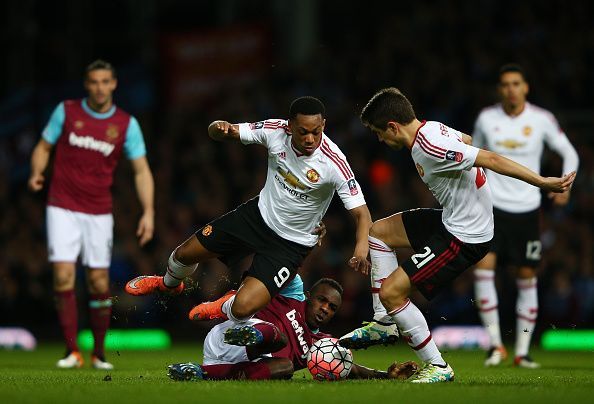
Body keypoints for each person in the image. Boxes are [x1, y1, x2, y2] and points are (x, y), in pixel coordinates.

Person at [339, 87, 575, 383]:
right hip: (453, 219)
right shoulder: (432, 129)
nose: (379, 139)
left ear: (392, 126)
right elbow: (470, 142)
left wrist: (541, 182)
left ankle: (438, 366)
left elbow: (490, 159)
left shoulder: (429, 145)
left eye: (378, 132)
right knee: (379, 232)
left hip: (465, 236)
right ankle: (385, 323)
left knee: (391, 292)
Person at [126, 96, 374, 328]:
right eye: (303, 132)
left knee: (244, 308)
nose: (310, 138)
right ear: (290, 126)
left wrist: (361, 248)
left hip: (290, 245)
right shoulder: (275, 130)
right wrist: (218, 128)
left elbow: (362, 214)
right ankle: (168, 284)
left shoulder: (334, 162)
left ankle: (225, 305)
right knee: (183, 254)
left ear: (323, 125)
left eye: (316, 132)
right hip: (256, 218)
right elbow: (226, 130)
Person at [28, 60, 155, 370]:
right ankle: (72, 351)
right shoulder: (67, 111)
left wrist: (148, 211)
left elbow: (141, 170)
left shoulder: (126, 124)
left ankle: (99, 352)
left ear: (113, 85)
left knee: (98, 282)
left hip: (99, 212)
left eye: (105, 82)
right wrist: (36, 171)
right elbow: (44, 146)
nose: (99, 87)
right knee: (63, 275)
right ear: (87, 84)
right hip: (62, 206)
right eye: (94, 82)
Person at [471, 64, 579, 368]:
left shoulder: (541, 120)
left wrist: (566, 186)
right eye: (505, 84)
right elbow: (475, 157)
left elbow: (570, 153)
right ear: (499, 89)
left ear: (526, 87)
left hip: (527, 210)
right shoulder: (486, 119)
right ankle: (495, 346)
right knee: (483, 271)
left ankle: (522, 351)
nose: (511, 89)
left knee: (526, 278)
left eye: (516, 83)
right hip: (491, 206)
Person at [167, 275, 419, 381]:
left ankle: (200, 372)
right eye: (322, 300)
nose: (325, 309)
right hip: (227, 336)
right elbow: (279, 260)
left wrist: (385, 375)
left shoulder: (322, 344)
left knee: (285, 367)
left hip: (231, 364)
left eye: (332, 308)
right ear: (309, 296)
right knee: (276, 338)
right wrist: (308, 235)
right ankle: (247, 330)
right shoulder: (292, 293)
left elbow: (346, 365)